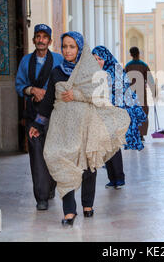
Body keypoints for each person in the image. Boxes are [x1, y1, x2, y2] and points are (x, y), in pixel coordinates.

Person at [29, 32, 130, 227]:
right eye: (64, 46)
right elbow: (48, 100)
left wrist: (77, 94)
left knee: (86, 164)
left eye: (72, 47)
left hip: (85, 124)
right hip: (62, 127)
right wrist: (38, 124)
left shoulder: (92, 71)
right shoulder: (56, 72)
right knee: (58, 157)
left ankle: (87, 204)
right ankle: (69, 210)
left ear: (80, 49)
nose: (67, 51)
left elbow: (101, 97)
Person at [15, 24, 63, 211]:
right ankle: (41, 197)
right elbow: (19, 86)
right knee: (36, 155)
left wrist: (49, 93)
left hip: (55, 115)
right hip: (33, 115)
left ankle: (50, 187)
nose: (41, 40)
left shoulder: (59, 60)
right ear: (34, 39)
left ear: (50, 41)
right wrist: (32, 90)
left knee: (53, 153)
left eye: (45, 37)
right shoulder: (26, 61)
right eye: (38, 36)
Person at [92, 46, 147, 190]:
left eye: (100, 59)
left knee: (113, 146)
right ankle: (113, 178)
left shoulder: (114, 72)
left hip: (114, 114)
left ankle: (119, 178)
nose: (97, 62)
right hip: (102, 115)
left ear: (106, 58)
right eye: (95, 59)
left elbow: (120, 95)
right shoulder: (99, 73)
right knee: (106, 147)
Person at [125, 47, 155, 140]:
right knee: (143, 112)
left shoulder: (128, 66)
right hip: (141, 93)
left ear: (130, 54)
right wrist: (154, 92)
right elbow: (150, 80)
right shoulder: (143, 65)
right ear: (139, 53)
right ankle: (141, 134)